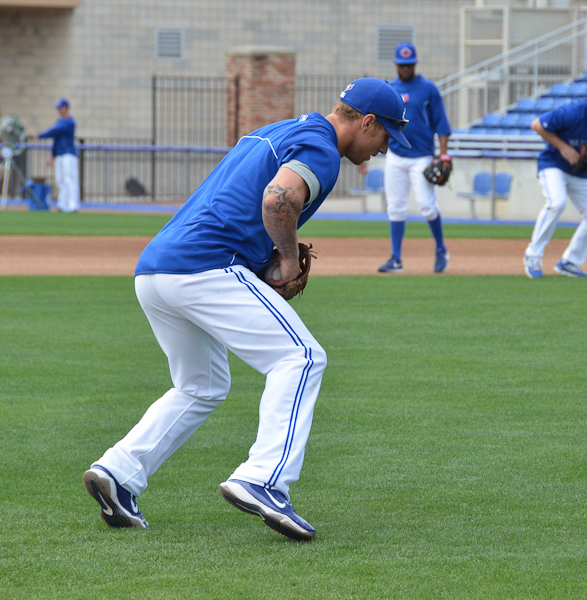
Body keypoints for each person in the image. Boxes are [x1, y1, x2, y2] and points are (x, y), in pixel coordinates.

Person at [81, 77, 410, 542]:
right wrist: (288, 256)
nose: (385, 149)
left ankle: (118, 472)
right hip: (205, 266)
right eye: (386, 136)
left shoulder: (281, 129)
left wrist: (264, 256)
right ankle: (264, 479)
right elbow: (278, 198)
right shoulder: (321, 147)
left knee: (201, 386)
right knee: (301, 358)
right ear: (368, 122)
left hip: (156, 270)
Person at [523, 92, 587, 278]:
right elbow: (537, 125)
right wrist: (563, 147)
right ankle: (532, 255)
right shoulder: (573, 113)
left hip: (581, 171)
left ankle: (570, 262)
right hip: (554, 165)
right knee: (557, 203)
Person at [376, 42, 452, 274]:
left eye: (409, 64)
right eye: (402, 64)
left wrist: (443, 154)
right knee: (395, 207)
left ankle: (441, 249)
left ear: (415, 63)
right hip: (396, 154)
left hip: (422, 156)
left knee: (427, 205)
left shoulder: (428, 89)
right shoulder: (390, 88)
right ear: (396, 64)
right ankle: (396, 259)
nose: (406, 68)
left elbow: (441, 124)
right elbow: (381, 125)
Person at [31, 98, 80, 212]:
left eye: (61, 108)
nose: (59, 111)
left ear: (66, 108)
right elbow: (55, 139)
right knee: (60, 180)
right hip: (59, 154)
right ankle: (62, 204)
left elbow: (55, 131)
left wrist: (38, 135)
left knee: (70, 179)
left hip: (68, 153)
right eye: (58, 109)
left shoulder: (70, 122)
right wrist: (51, 154)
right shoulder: (59, 121)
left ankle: (73, 205)